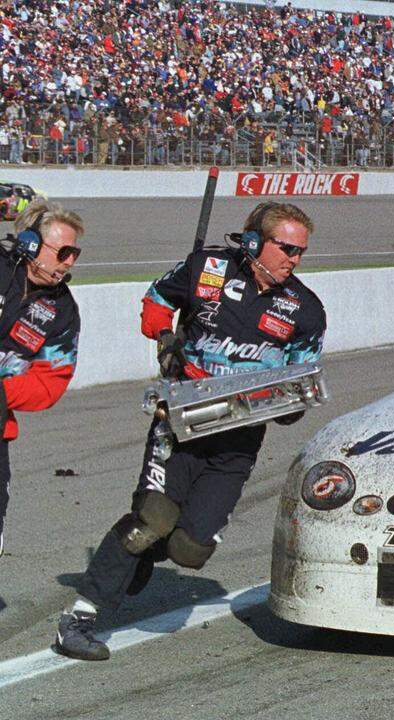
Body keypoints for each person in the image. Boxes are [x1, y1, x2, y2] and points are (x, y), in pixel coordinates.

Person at [53, 202, 327, 661]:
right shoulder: (208, 268)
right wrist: (164, 337)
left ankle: (138, 558)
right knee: (151, 520)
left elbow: (301, 381)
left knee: (189, 550)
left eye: (300, 252)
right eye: (286, 248)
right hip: (178, 425)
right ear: (256, 242)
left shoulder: (305, 310)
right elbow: (156, 300)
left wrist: (290, 405)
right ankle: (79, 617)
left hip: (237, 444)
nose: (293, 260)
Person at [0, 201, 83, 555]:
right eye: (63, 252)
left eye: (74, 254)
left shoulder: (63, 311)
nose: (69, 262)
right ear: (31, 244)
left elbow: (50, 383)